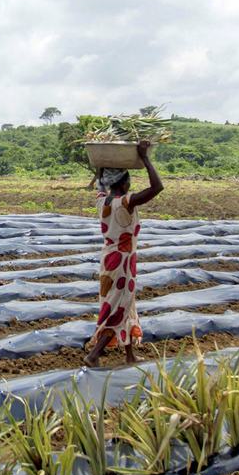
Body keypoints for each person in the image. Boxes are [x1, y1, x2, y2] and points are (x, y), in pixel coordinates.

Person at [83, 140, 163, 367]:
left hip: (111, 258)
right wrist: (145, 158)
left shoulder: (102, 201)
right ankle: (94, 354)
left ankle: (129, 355)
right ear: (125, 183)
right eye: (129, 179)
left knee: (124, 304)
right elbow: (157, 187)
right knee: (118, 307)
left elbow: (100, 182)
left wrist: (100, 162)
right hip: (122, 262)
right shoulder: (126, 202)